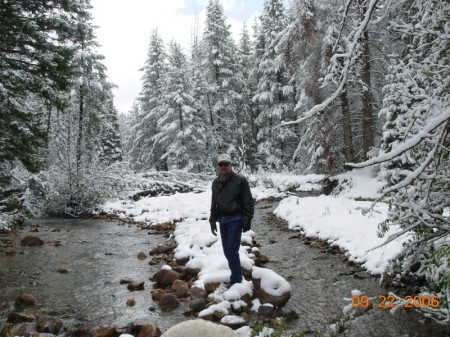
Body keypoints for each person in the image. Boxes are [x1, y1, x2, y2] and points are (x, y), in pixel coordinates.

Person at [209, 153, 254, 286]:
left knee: (231, 250)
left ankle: (236, 280)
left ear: (231, 165)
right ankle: (236, 274)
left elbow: (248, 201)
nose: (223, 167)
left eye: (226, 164)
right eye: (221, 164)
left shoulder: (240, 180)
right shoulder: (216, 183)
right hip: (222, 220)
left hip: (236, 219)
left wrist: (248, 219)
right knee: (226, 251)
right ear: (218, 167)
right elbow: (214, 202)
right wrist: (212, 219)